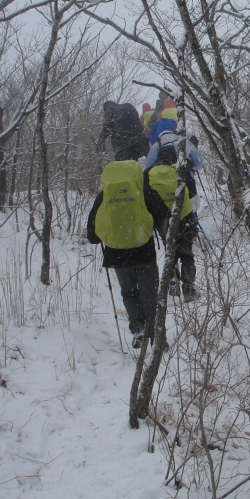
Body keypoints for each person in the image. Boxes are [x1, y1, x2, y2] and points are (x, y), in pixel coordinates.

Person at [86, 146, 169, 348]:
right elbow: (163, 214)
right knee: (150, 293)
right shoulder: (144, 190)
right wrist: (163, 234)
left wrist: (101, 238)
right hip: (143, 250)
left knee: (129, 292)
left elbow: (92, 231)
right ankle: (158, 337)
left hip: (117, 253)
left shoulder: (105, 194)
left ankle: (138, 328)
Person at [146, 143, 200, 301]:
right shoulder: (180, 170)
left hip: (162, 220)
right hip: (185, 217)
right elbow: (193, 193)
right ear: (174, 157)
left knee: (171, 253)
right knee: (187, 254)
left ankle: (173, 285)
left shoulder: (149, 173)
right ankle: (189, 289)